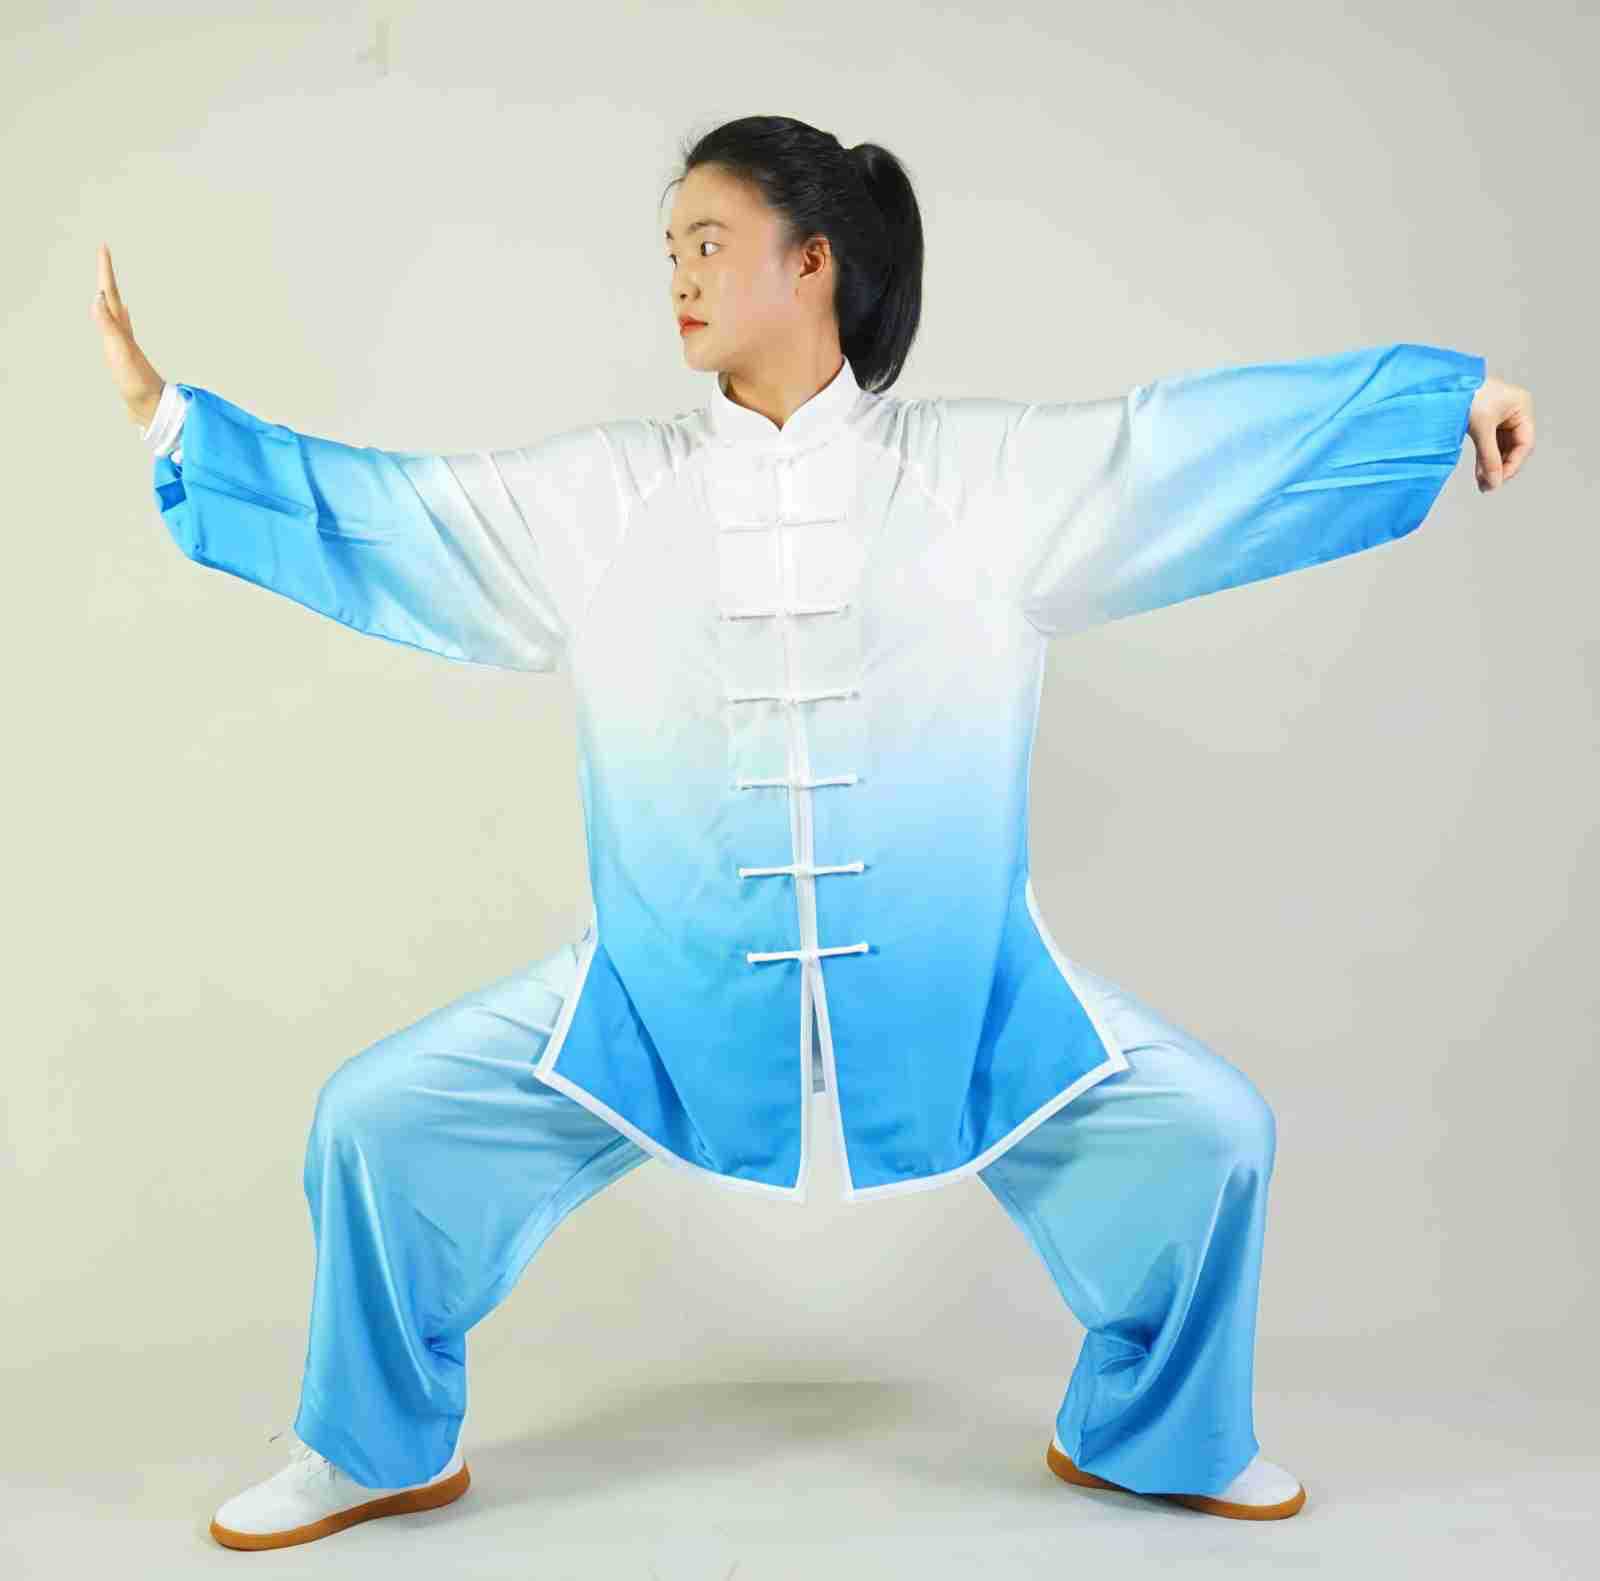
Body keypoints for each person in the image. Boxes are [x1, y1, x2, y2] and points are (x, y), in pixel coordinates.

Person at [95, 114, 1534, 1550]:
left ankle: (1153, 1431)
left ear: (814, 262)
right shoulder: (601, 499)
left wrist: (1435, 409)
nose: (678, 276)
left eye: (709, 242)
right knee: (374, 1122)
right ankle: (370, 1444)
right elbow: (392, 516)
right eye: (669, 249)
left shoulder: (983, 481)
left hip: (962, 993)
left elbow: (1184, 453)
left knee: (1214, 1136)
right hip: (657, 998)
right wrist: (176, 425)